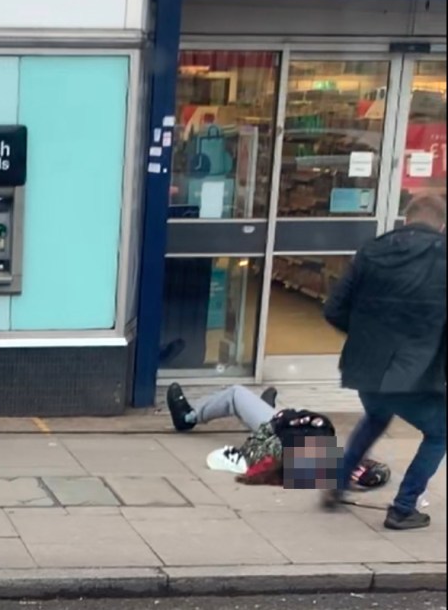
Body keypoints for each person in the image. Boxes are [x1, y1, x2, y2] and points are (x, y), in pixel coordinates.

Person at [321, 193, 447, 530]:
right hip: (415, 372)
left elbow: (333, 309)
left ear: (405, 219)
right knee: (439, 433)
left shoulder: (371, 250)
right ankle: (404, 507)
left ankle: (337, 485)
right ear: (442, 225)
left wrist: (365, 337)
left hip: (365, 368)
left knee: (376, 415)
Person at [167, 383, 390, 489]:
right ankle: (266, 409)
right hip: (286, 439)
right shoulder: (326, 464)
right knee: (280, 416)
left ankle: (188, 417)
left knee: (236, 394)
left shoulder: (320, 463)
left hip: (280, 436)